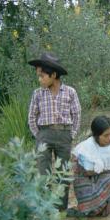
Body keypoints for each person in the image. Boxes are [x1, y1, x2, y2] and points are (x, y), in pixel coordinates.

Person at [28, 52, 81, 211]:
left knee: (62, 173)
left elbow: (77, 114)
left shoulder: (70, 92)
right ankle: (45, 207)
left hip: (64, 135)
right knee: (42, 172)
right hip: (44, 134)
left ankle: (60, 209)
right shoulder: (38, 93)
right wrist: (38, 135)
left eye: (42, 76)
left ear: (54, 75)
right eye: (38, 76)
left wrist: (72, 134)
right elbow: (32, 116)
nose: (39, 80)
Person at [67, 116, 110, 217]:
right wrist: (107, 169)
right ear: (96, 135)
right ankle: (93, 208)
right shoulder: (86, 147)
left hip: (103, 175)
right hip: (86, 180)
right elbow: (87, 172)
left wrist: (108, 169)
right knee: (92, 209)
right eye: (106, 135)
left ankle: (105, 209)